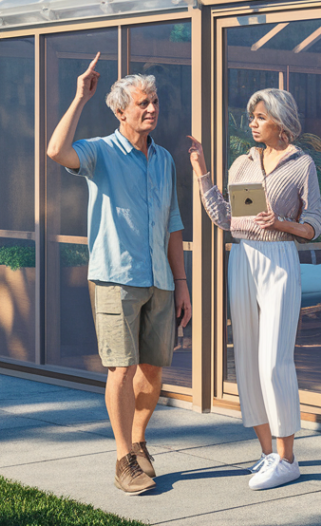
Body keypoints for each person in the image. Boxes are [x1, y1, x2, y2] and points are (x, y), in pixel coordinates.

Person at [47, 53, 192, 495]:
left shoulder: (164, 158)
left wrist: (182, 283)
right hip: (115, 278)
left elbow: (173, 224)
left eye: (155, 102)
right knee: (121, 370)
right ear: (120, 110)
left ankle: (140, 441)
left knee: (152, 369)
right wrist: (78, 98)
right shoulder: (100, 152)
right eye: (143, 103)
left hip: (161, 282)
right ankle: (122, 458)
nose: (151, 109)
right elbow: (55, 151)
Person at [187, 88, 321, 491]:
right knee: (246, 358)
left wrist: (281, 222)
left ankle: (288, 458)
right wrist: (201, 170)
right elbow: (225, 218)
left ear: (280, 120)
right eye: (252, 117)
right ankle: (267, 454)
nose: (252, 123)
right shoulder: (242, 163)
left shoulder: (302, 164)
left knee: (273, 362)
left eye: (259, 116)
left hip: (279, 259)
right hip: (242, 259)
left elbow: (313, 225)